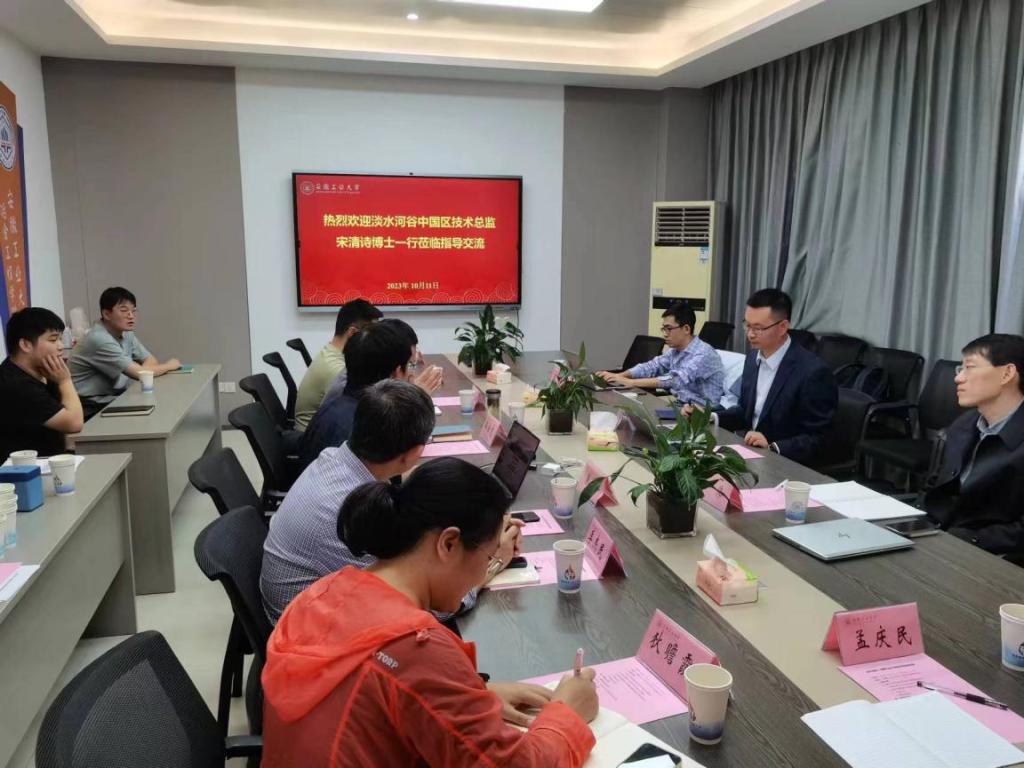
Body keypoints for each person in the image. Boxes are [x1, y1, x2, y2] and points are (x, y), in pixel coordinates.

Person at [261, 456, 598, 767]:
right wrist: (567, 712)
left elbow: (369, 690)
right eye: (489, 557)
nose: (483, 574)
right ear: (448, 544)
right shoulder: (415, 647)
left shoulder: (325, 591)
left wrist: (472, 697)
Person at [262, 379, 522, 623]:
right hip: (315, 638)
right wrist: (493, 559)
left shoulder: (335, 459)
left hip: (302, 619)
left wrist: (481, 524)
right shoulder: (347, 511)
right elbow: (419, 607)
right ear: (415, 453)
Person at [925, 334, 1024, 558]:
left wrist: (963, 539)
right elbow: (936, 486)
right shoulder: (964, 424)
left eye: (969, 368)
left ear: (1007, 373)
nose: (958, 378)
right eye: (959, 369)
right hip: (941, 538)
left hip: (993, 557)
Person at [718, 288, 837, 464]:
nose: (750, 334)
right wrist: (711, 417)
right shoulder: (752, 358)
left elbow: (819, 438)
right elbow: (746, 412)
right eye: (747, 325)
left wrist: (773, 447)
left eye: (758, 328)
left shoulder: (812, 371)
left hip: (788, 464)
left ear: (783, 327)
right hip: (752, 455)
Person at [299, 322, 411, 470]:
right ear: (395, 373)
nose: (410, 375)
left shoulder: (337, 404)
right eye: (409, 366)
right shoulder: (366, 427)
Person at [69, 287, 180, 417]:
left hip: (111, 397)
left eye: (133, 311)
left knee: (159, 403)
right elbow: (140, 374)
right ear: (106, 314)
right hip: (89, 405)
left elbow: (150, 360)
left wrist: (144, 372)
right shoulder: (98, 338)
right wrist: (170, 365)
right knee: (155, 409)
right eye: (124, 310)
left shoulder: (126, 333)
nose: (131, 316)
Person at [597, 302, 724, 406]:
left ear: (686, 329)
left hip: (702, 415)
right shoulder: (675, 351)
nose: (665, 334)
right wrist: (619, 376)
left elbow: (675, 380)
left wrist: (631, 383)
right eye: (664, 329)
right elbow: (651, 366)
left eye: (669, 329)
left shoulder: (703, 354)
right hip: (680, 406)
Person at [0, 307, 83, 462]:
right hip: (24, 469)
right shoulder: (15, 384)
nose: (60, 346)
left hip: (50, 459)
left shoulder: (43, 371)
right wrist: (65, 381)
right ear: (25, 345)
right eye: (53, 340)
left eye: (60, 339)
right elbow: (74, 424)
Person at [293, 299, 382, 432]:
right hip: (313, 436)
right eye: (372, 336)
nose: (376, 342)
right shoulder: (337, 370)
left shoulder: (331, 352)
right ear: (353, 333)